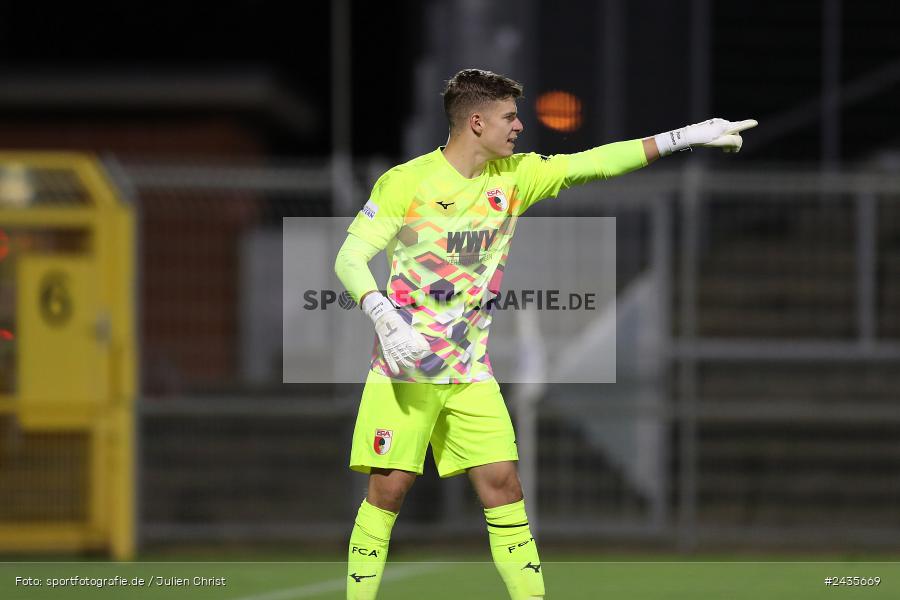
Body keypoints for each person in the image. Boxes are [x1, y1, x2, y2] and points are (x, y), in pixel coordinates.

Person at [334, 68, 756, 600]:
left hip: (469, 373)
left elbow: (594, 162)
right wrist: (384, 317)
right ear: (477, 121)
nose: (519, 126)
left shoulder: (516, 176)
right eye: (510, 117)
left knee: (504, 487)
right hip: (404, 369)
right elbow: (350, 258)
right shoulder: (406, 182)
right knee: (388, 491)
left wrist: (684, 136)